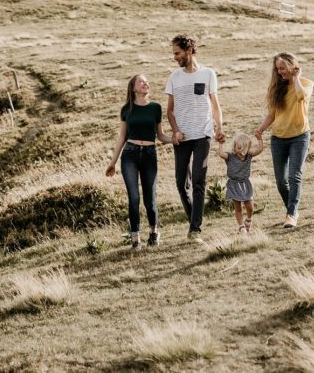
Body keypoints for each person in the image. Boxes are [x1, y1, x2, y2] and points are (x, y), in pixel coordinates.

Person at [166, 34, 225, 240]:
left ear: (189, 51)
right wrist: (175, 131)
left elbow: (215, 104)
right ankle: (194, 219)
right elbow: (170, 111)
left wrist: (219, 127)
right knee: (181, 183)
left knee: (199, 180)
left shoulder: (208, 74)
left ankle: (195, 228)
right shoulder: (174, 77)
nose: (175, 57)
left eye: (177, 53)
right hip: (182, 137)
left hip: (203, 134)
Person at [105, 74, 171, 250]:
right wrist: (113, 162)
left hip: (150, 154)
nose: (146, 83)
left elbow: (161, 135)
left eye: (147, 81)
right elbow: (122, 137)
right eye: (141, 81)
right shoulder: (127, 109)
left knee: (150, 198)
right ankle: (135, 239)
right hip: (130, 155)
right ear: (133, 87)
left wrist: (174, 139)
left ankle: (154, 233)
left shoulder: (155, 108)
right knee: (133, 198)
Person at [254, 52, 313, 229]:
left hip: (299, 136)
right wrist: (261, 129)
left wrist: (295, 78)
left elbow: (301, 96)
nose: (280, 72)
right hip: (278, 138)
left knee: (295, 176)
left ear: (291, 66)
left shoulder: (306, 83)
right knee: (281, 181)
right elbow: (272, 114)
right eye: (277, 69)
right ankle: (292, 209)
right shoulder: (276, 89)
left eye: (282, 68)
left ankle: (291, 213)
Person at [216, 133, 263, 234]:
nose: (236, 149)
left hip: (245, 184)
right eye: (236, 146)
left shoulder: (249, 156)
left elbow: (259, 150)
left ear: (246, 148)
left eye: (239, 147)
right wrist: (221, 144)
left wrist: (259, 139)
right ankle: (241, 226)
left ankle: (249, 219)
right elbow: (221, 154)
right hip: (233, 184)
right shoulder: (230, 156)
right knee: (238, 208)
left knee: (250, 206)